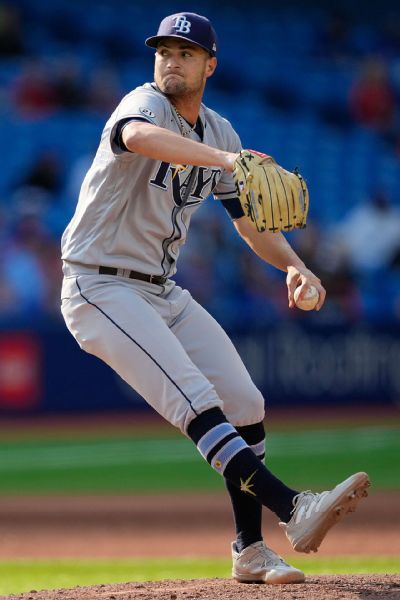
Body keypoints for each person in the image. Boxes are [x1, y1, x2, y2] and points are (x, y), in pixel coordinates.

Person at [60, 13, 370, 585]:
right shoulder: (145, 106)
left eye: (186, 51)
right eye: (164, 50)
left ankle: (249, 550)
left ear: (211, 64)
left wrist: (298, 266)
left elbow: (251, 224)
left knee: (245, 403)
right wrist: (232, 162)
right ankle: (294, 508)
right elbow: (137, 138)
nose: (171, 60)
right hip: (98, 285)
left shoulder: (220, 132)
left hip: (160, 290)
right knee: (196, 398)